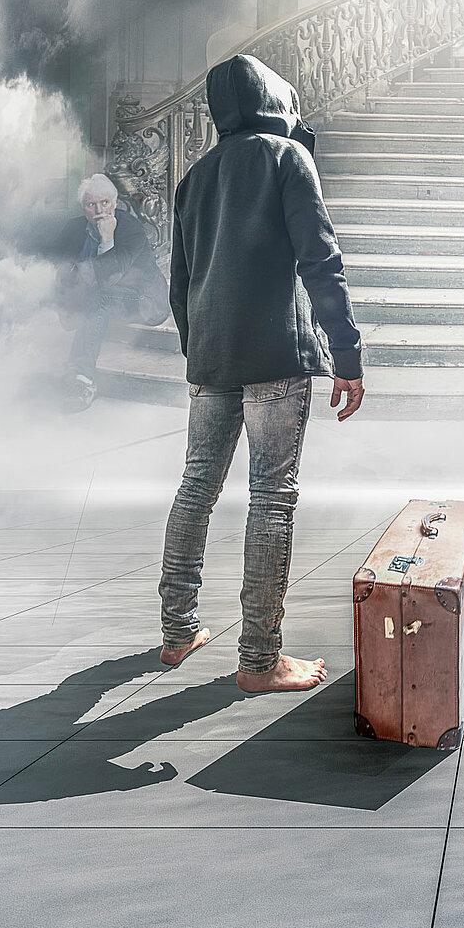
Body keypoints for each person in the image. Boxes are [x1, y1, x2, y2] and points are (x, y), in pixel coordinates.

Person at [158, 54, 364, 691]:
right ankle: (259, 660)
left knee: (196, 487)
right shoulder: (286, 160)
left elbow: (180, 285)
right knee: (271, 499)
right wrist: (347, 356)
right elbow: (320, 262)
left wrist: (200, 351)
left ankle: (177, 631)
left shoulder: (194, 177)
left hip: (212, 358)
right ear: (276, 97)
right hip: (276, 355)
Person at [51, 173, 170, 411]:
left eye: (105, 203)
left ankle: (82, 379)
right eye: (91, 204)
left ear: (115, 204)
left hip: (144, 300)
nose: (99, 210)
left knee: (101, 298)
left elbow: (109, 278)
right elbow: (57, 267)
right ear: (83, 207)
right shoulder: (73, 228)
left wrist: (106, 238)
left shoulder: (130, 228)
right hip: (99, 298)